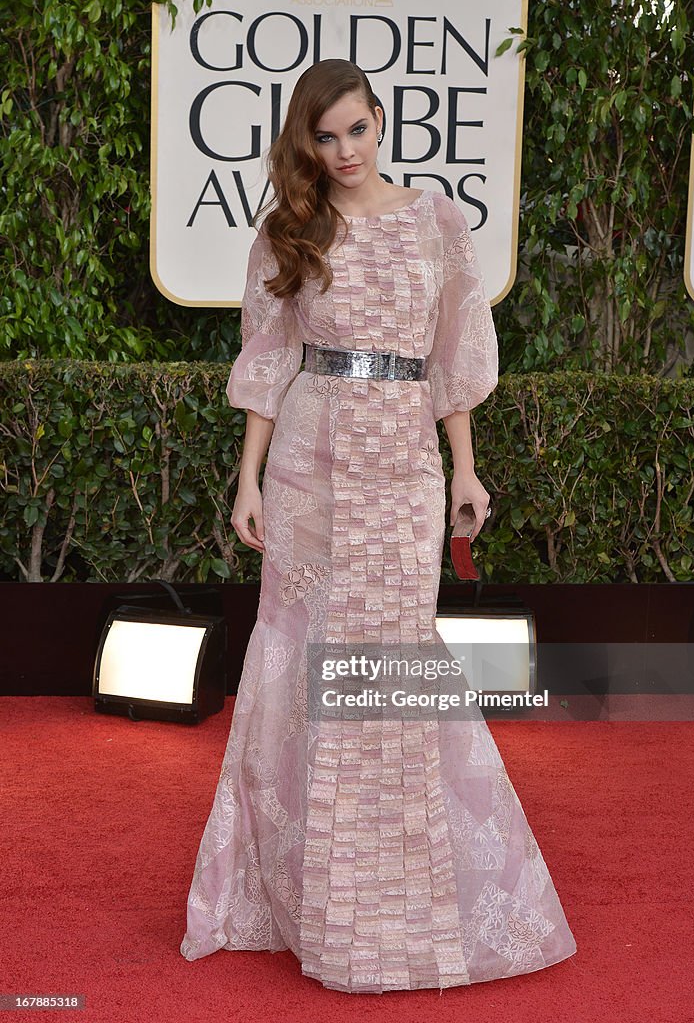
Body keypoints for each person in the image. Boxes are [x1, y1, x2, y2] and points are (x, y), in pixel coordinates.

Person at [180, 58, 577, 993]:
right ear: (305, 142)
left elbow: (454, 356)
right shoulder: (290, 226)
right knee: (300, 659)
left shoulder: (438, 221)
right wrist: (248, 480)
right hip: (308, 460)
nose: (343, 150)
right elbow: (268, 357)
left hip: (403, 460)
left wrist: (467, 466)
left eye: (356, 130)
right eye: (324, 137)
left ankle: (397, 890)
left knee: (393, 662)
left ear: (380, 121)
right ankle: (296, 889)